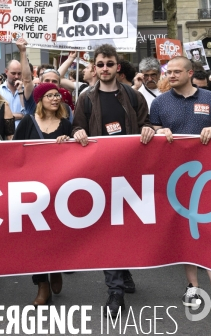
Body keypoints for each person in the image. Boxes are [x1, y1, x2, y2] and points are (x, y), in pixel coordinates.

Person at [72, 44, 155, 318]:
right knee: (108, 230)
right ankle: (115, 291)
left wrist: (148, 129)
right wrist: (78, 133)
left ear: (117, 67)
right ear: (94, 68)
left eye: (109, 63)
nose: (105, 68)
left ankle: (124, 270)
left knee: (127, 229)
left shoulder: (133, 96)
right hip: (99, 176)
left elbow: (147, 123)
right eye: (100, 64)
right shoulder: (85, 98)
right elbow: (77, 127)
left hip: (130, 174)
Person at [149, 55, 211, 309]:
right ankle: (193, 286)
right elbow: (151, 129)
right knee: (187, 233)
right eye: (168, 72)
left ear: (190, 73)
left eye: (176, 71)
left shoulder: (210, 98)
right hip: (176, 179)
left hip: (208, 177)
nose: (171, 75)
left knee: (208, 232)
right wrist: (157, 132)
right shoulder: (160, 103)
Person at [14, 82, 71, 305]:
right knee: (34, 239)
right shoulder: (28, 121)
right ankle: (42, 285)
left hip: (58, 189)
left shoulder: (66, 124)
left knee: (56, 234)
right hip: (31, 188)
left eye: (57, 95)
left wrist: (69, 143)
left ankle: (56, 268)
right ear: (40, 100)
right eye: (49, 95)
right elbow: (14, 151)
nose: (55, 99)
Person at [0, 59, 25, 127]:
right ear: (6, 72)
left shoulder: (26, 91)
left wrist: (21, 91)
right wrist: (20, 116)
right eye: (13, 73)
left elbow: (30, 114)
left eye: (19, 73)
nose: (16, 76)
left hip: (24, 133)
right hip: (5, 133)